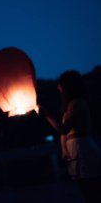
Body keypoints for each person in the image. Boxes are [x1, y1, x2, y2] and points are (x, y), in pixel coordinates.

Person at [39, 70, 101, 203]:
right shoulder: (71, 105)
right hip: (77, 151)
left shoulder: (77, 103)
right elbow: (65, 132)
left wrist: (46, 115)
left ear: (68, 86)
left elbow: (64, 129)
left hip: (83, 150)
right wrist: (65, 150)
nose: (58, 87)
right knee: (86, 191)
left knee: (90, 191)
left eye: (60, 84)